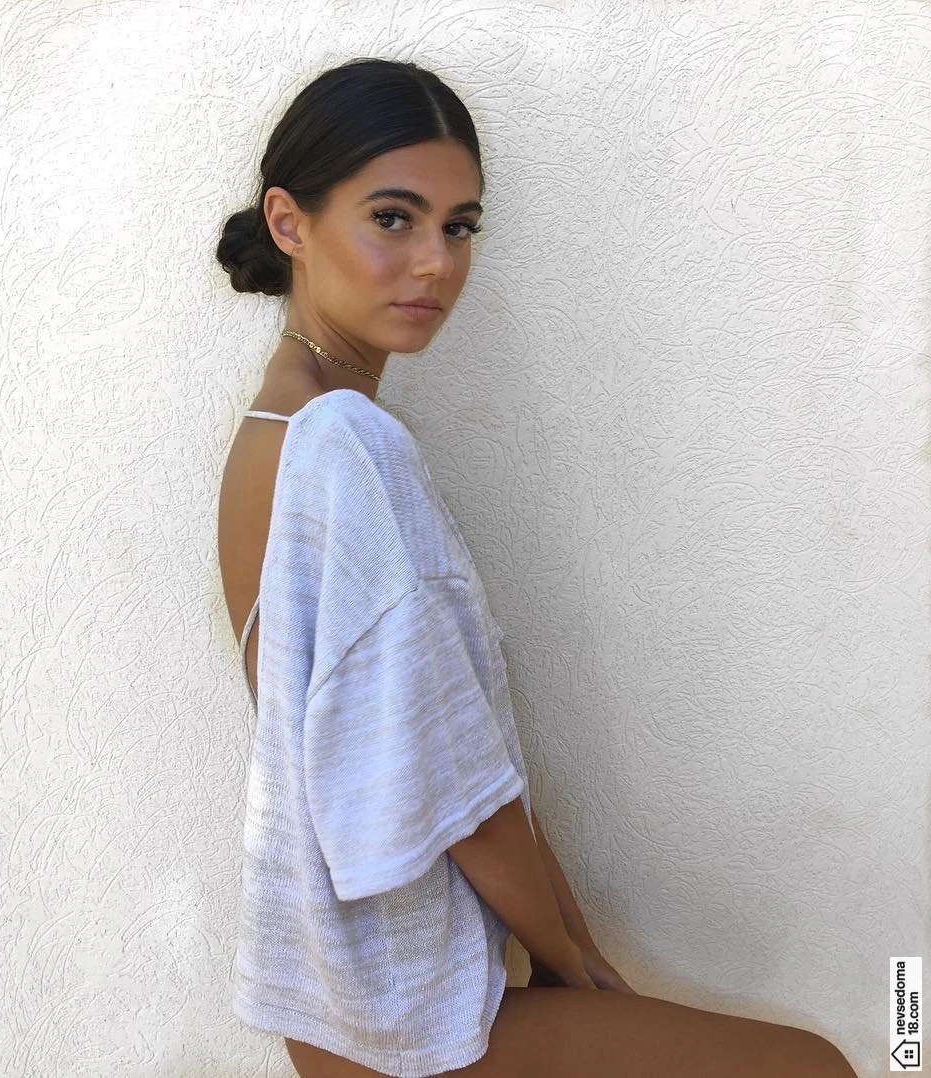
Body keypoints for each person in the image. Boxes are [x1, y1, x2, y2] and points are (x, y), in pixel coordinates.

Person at [215, 56, 857, 1078]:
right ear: (289, 222)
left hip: (349, 1009)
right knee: (811, 1067)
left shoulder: (280, 429)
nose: (435, 262)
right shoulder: (345, 445)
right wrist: (574, 963)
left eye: (459, 226)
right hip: (405, 1021)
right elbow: (456, 788)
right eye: (393, 218)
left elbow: (445, 743)